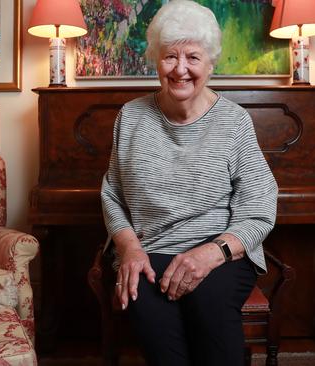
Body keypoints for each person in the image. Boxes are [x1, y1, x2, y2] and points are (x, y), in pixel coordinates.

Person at [100, 1, 278, 365]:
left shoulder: (234, 122)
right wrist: (129, 249)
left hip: (221, 251)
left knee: (211, 310)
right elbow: (112, 194)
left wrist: (213, 253)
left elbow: (260, 208)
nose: (180, 69)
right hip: (148, 252)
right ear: (156, 60)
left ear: (211, 63)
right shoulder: (131, 116)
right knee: (156, 333)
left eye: (193, 57)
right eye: (169, 57)